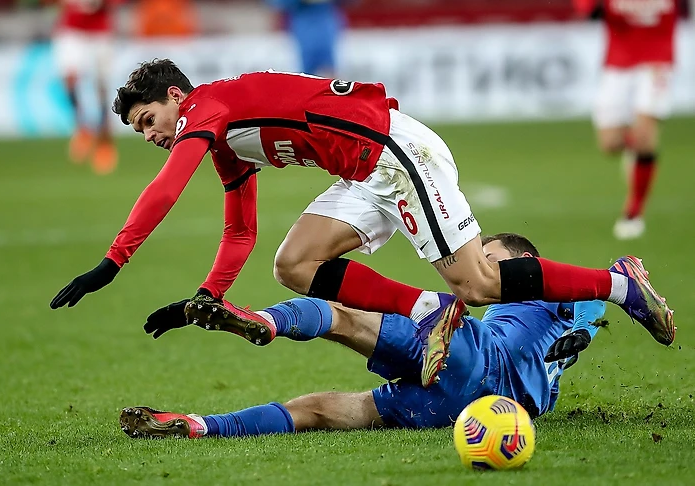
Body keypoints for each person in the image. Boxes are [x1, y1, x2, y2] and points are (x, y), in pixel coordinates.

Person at [48, 60, 675, 350]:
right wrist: (208, 296)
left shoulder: (206, 108)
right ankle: (434, 315)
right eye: (140, 131)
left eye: (149, 120)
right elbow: (240, 232)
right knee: (294, 263)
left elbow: (166, 188)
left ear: (175, 97)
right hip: (361, 172)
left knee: (479, 283)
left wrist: (112, 263)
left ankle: (620, 285)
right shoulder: (224, 140)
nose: (150, 135)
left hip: (393, 154)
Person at [119, 234, 606, 439]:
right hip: (466, 409)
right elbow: (595, 306)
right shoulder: (537, 315)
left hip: (474, 354)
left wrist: (581, 330)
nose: (480, 268)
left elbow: (603, 291)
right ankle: (202, 426)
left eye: (489, 259)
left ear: (525, 263)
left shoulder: (547, 286)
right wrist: (576, 339)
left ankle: (266, 321)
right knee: (318, 411)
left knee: (341, 316)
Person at [574, 0, 679, 239]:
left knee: (644, 137)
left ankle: (633, 213)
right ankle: (636, 153)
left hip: (657, 61)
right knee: (609, 144)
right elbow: (589, 12)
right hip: (618, 64)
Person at [50, 0, 120, 174]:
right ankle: (83, 127)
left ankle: (104, 141)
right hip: (72, 29)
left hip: (99, 30)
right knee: (69, 79)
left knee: (101, 86)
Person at [265, 0, 346, 77]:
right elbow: (277, 3)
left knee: (329, 70)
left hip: (326, 27)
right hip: (303, 29)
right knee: (305, 72)